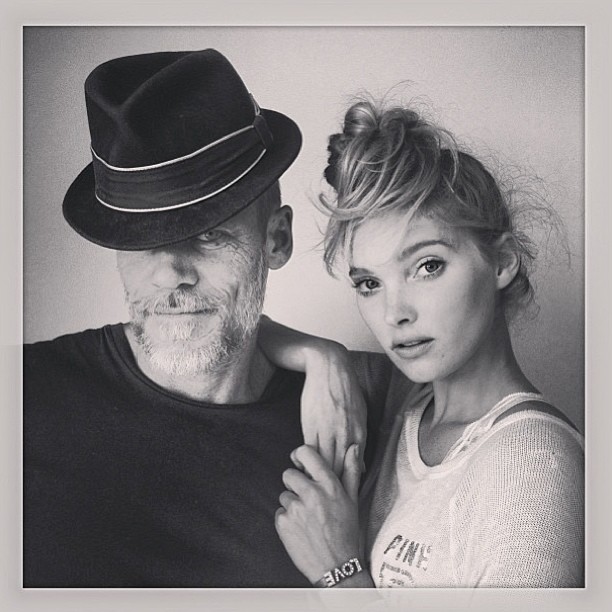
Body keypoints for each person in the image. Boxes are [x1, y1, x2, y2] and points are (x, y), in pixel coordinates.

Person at [23, 49, 397, 588]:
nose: (170, 274)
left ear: (276, 239)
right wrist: (321, 352)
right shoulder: (24, 395)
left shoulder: (354, 418)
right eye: (142, 241)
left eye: (207, 234)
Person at [268, 97, 584, 588]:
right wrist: (322, 357)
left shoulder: (532, 464)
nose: (394, 313)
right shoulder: (399, 399)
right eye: (369, 284)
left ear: (501, 262)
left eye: (427, 266)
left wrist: (339, 570)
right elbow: (243, 333)